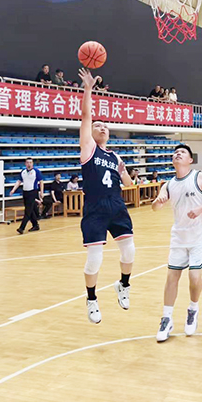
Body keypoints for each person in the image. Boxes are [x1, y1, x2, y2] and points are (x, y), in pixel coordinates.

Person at [77, 68, 136, 324]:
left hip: (116, 205)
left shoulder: (115, 156)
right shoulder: (88, 149)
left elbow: (129, 184)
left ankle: (123, 285)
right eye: (97, 126)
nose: (101, 127)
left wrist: (125, 174)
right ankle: (91, 299)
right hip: (95, 208)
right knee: (94, 260)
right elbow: (86, 115)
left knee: (130, 252)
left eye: (105, 126)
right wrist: (88, 88)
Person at [152, 144, 202, 342]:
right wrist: (158, 201)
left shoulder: (200, 177)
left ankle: (193, 309)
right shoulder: (168, 185)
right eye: (175, 152)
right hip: (179, 236)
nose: (178, 154)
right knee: (171, 277)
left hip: (200, 235)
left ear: (190, 160)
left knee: (194, 276)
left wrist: (200, 209)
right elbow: (155, 208)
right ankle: (166, 319)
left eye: (182, 152)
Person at [9, 158, 43, 234]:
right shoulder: (23, 171)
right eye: (27, 162)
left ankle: (21, 228)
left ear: (32, 163)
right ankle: (35, 225)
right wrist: (13, 190)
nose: (29, 164)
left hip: (33, 192)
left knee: (27, 211)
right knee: (30, 210)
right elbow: (19, 181)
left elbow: (41, 181)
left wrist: (41, 192)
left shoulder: (36, 171)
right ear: (25, 163)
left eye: (30, 162)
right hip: (25, 192)